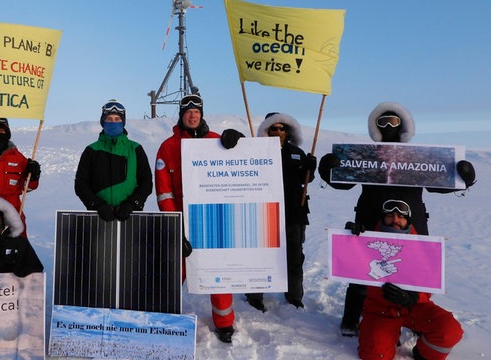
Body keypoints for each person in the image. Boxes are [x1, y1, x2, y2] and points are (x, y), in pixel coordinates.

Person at [318, 102, 476, 336]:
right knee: (362, 270)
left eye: (394, 122)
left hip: (411, 222)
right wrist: (327, 170)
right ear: (375, 127)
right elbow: (344, 181)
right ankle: (351, 319)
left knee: (414, 272)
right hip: (370, 220)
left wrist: (463, 177)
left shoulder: (418, 158)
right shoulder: (364, 156)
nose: (389, 126)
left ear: (404, 126)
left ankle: (415, 320)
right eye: (383, 122)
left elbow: (439, 184)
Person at [154, 94, 239, 344]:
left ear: (202, 115)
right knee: (173, 273)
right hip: (182, 222)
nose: (193, 115)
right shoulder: (168, 147)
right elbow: (164, 191)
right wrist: (175, 227)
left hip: (214, 220)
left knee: (218, 272)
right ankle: (162, 318)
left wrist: (239, 142)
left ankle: (224, 322)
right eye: (188, 111)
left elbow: (245, 164)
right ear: (181, 115)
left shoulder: (216, 141)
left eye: (197, 111)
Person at [346, 199, 463, 360]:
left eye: (400, 216)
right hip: (381, 310)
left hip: (413, 306)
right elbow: (346, 261)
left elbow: (428, 285)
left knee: (449, 330)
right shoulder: (367, 241)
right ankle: (387, 333)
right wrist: (348, 237)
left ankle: (423, 354)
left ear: (408, 220)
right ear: (382, 219)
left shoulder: (423, 246)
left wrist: (413, 297)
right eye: (390, 216)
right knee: (376, 357)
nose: (395, 219)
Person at [228, 112, 316, 312]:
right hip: (262, 212)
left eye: (281, 128)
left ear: (288, 131)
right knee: (259, 256)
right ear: (266, 131)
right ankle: (254, 295)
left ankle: (294, 296)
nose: (278, 132)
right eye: (273, 128)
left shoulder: (297, 153)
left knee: (294, 256)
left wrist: (311, 168)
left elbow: (306, 179)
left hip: (294, 212)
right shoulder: (255, 152)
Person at [74, 100, 153, 221]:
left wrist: (132, 204)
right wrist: (96, 205)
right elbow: (81, 183)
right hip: (99, 217)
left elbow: (146, 182)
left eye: (117, 119)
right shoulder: (91, 150)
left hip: (130, 217)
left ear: (123, 122)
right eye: (109, 119)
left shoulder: (135, 149)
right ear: (103, 122)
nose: (113, 122)